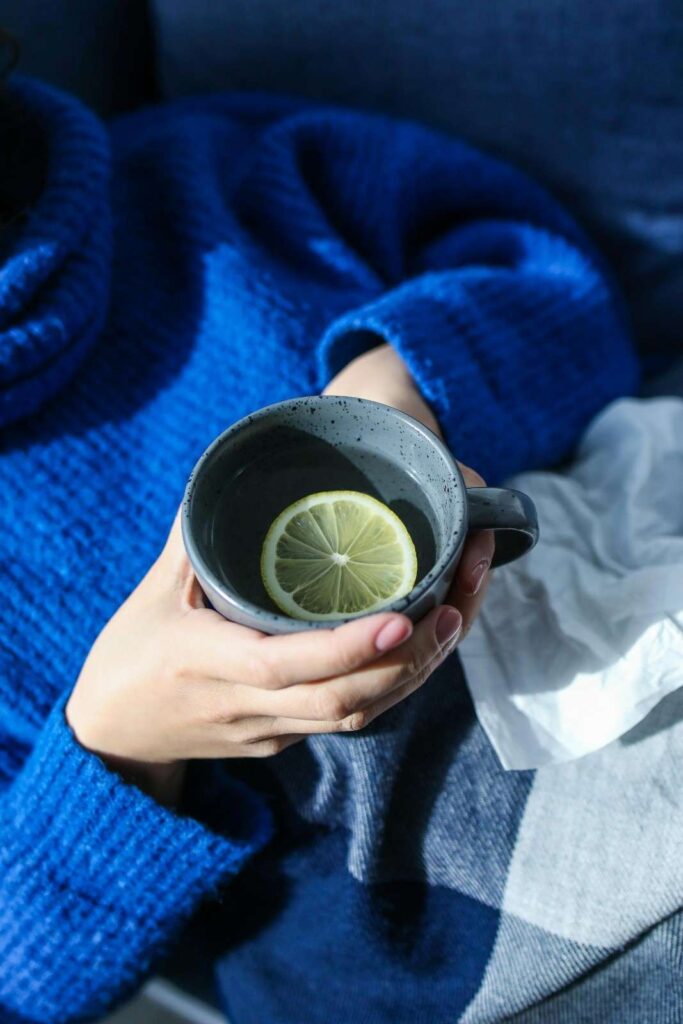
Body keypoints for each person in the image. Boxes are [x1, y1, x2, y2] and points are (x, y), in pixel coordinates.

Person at [0, 74, 637, 1022]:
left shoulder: (223, 168)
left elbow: (558, 286)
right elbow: (22, 984)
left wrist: (409, 376)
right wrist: (118, 747)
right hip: (417, 927)